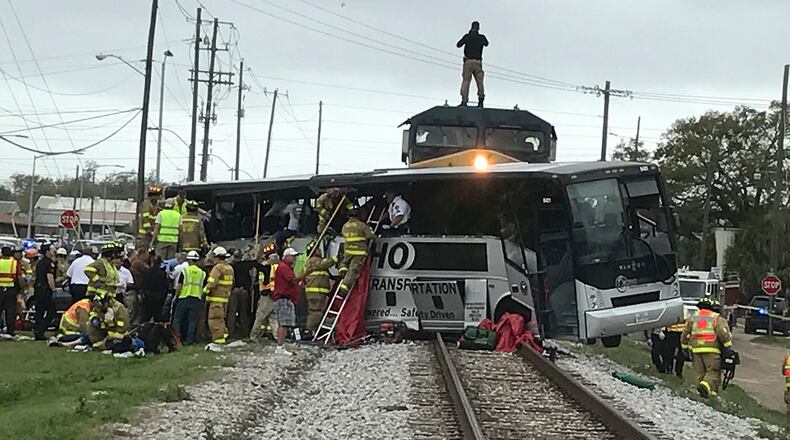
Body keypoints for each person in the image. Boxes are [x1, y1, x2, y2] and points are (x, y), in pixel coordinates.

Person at [681, 298, 733, 398]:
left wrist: (684, 346)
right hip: (711, 349)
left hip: (696, 349)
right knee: (713, 371)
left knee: (699, 372)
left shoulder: (693, 317)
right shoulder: (715, 317)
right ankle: (706, 388)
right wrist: (727, 346)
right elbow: (723, 333)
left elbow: (685, 333)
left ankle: (706, 395)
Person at [338, 207, 375, 297]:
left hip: (348, 251)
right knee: (353, 271)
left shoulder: (345, 226)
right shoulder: (362, 225)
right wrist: (370, 227)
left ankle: (342, 268)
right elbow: (371, 236)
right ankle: (343, 289)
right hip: (359, 252)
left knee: (344, 262)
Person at [272, 247, 303, 355]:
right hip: (283, 299)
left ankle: (281, 345)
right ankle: (280, 347)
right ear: (286, 256)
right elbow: (292, 280)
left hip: (286, 299)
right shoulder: (284, 267)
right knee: (284, 324)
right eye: (293, 256)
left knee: (285, 323)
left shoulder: (287, 267)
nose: (294, 258)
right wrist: (305, 274)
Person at [172, 251, 206, 345]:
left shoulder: (185, 271)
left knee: (177, 319)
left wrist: (176, 295)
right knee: (192, 321)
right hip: (196, 299)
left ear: (189, 260)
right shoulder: (202, 273)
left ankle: (176, 339)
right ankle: (189, 340)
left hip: (184, 297)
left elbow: (179, 286)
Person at [302, 240, 336, 333]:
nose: (320, 251)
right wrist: (336, 258)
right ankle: (310, 331)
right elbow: (324, 264)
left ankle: (313, 331)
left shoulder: (310, 261)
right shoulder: (313, 260)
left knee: (316, 312)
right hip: (316, 293)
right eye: (318, 249)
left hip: (317, 293)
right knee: (316, 313)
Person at [203, 246, 234, 345]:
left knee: (214, 319)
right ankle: (223, 335)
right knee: (221, 319)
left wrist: (205, 290)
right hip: (224, 299)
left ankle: (218, 341)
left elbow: (212, 281)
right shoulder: (229, 268)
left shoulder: (217, 268)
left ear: (216, 257)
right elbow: (232, 283)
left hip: (216, 299)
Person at [456, 21, 489, 107]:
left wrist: (468, 36)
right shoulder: (481, 37)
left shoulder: (468, 37)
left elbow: (458, 45)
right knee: (480, 82)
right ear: (478, 28)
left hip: (468, 62)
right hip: (478, 62)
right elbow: (486, 43)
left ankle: (464, 101)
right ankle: (481, 101)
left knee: (466, 81)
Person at [228, 249, 257, 340]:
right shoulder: (246, 265)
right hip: (244, 291)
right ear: (241, 257)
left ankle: (231, 333)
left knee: (232, 313)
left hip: (234, 291)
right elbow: (254, 263)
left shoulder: (231, 266)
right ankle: (245, 333)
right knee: (244, 312)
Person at [251, 250, 279, 342]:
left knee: (260, 316)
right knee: (273, 318)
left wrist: (256, 259)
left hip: (267, 295)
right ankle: (277, 337)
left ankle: (254, 336)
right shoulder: (280, 268)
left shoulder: (268, 268)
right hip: (276, 296)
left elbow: (259, 266)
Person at [33, 245, 57, 340]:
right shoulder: (49, 263)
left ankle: (37, 331)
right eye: (52, 249)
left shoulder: (40, 262)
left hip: (38, 288)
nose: (54, 251)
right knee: (52, 312)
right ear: (47, 251)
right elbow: (49, 277)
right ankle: (41, 330)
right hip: (45, 290)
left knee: (39, 311)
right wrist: (53, 289)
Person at [0, 246, 22, 337]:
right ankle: (10, 331)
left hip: (0, 289)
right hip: (10, 289)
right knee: (11, 311)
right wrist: (21, 288)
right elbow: (19, 277)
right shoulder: (14, 263)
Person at [662, 307, 688, 377]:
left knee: (680, 354)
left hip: (680, 333)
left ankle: (678, 371)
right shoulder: (670, 311)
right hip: (672, 333)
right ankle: (669, 369)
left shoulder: (684, 311)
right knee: (669, 353)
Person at [137, 185, 162, 249]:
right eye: (157, 196)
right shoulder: (146, 205)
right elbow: (145, 219)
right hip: (144, 236)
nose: (158, 197)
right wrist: (149, 230)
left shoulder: (157, 207)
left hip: (151, 235)